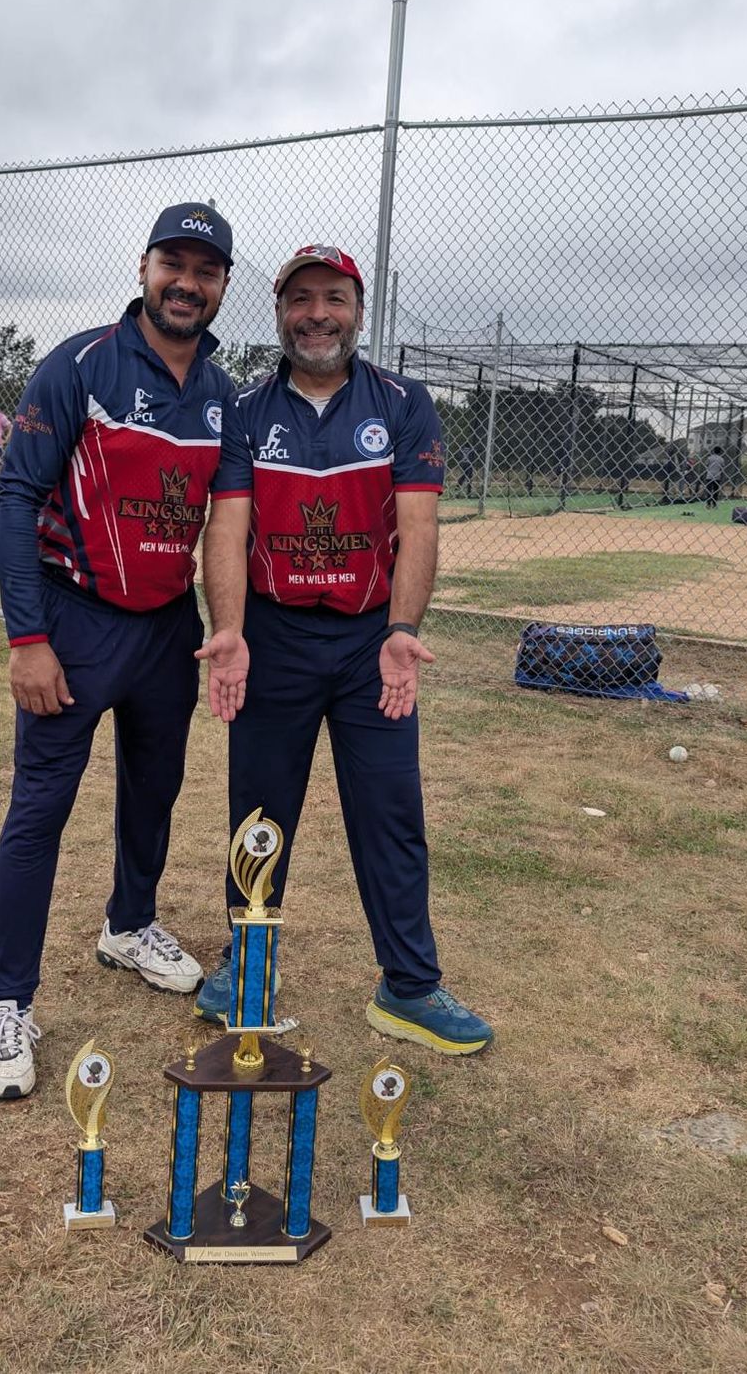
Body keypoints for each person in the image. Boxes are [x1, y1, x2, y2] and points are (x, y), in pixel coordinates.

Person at [194, 243, 493, 1056]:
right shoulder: (245, 411)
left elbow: (419, 526)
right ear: (280, 312)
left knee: (391, 811)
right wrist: (230, 628)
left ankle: (409, 984)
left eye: (334, 297)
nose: (317, 314)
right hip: (275, 635)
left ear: (359, 311)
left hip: (370, 643)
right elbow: (229, 526)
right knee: (259, 813)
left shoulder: (402, 403)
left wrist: (402, 631)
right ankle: (250, 966)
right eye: (301, 299)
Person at [0, 203, 238, 1099]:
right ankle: (6, 1001)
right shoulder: (80, 365)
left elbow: (229, 521)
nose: (186, 283)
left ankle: (129, 924)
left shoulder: (223, 393)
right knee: (40, 807)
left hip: (167, 628)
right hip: (75, 619)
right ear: (145, 267)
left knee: (155, 787)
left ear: (222, 285)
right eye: (174, 264)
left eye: (205, 270)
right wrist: (27, 638)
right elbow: (16, 498)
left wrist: (223, 627)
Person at [703, 445, 726, 510]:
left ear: (713, 451)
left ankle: (708, 504)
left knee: (709, 490)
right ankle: (714, 504)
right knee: (716, 491)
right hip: (717, 476)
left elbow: (706, 464)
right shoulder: (721, 459)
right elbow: (722, 467)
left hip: (709, 476)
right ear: (720, 452)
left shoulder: (709, 458)